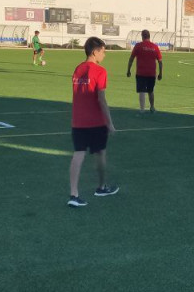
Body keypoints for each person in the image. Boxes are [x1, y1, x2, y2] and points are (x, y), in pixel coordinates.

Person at [68, 37, 119, 207]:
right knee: (100, 154)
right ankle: (101, 187)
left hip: (77, 121)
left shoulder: (77, 69)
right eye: (103, 51)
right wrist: (109, 123)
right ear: (94, 52)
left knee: (78, 154)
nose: (104, 55)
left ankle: (73, 194)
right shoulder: (100, 71)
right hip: (96, 121)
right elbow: (101, 99)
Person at [126, 29, 163, 113]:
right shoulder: (155, 47)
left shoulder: (138, 46)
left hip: (141, 72)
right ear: (149, 36)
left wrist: (128, 70)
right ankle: (152, 107)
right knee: (150, 91)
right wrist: (160, 73)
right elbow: (160, 61)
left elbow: (131, 59)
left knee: (142, 91)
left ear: (142, 36)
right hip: (151, 73)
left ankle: (142, 109)